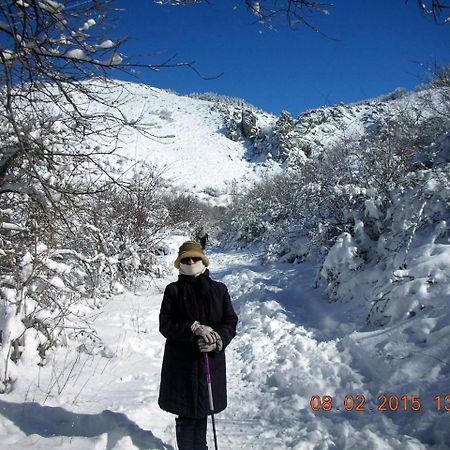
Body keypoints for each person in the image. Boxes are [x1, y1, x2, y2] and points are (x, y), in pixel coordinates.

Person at [158, 241, 238, 450]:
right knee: (185, 415)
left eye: (195, 258)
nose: (191, 262)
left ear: (203, 260)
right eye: (186, 259)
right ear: (180, 263)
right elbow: (165, 325)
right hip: (181, 366)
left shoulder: (219, 290)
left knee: (203, 411)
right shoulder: (172, 291)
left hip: (209, 363)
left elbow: (230, 322)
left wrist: (217, 340)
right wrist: (192, 328)